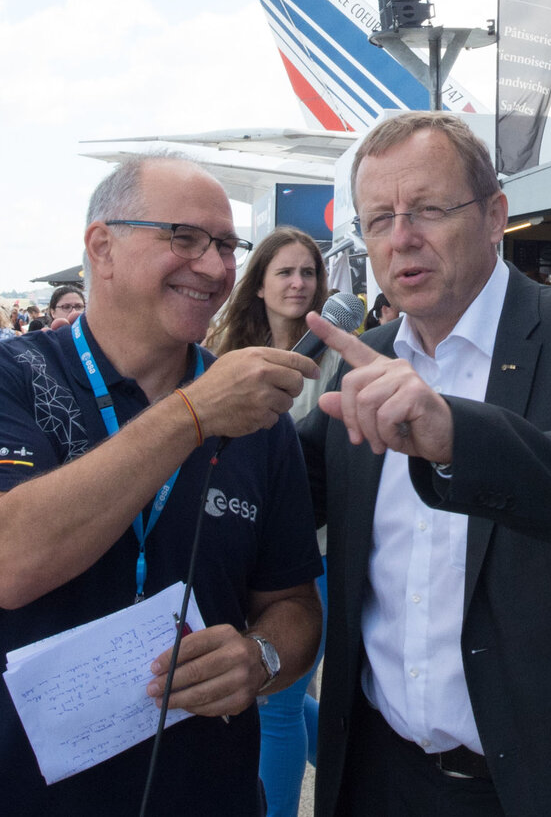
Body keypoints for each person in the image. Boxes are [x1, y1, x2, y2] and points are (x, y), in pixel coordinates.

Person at [295, 112, 551, 817]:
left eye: (427, 209)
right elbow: (276, 501)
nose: (402, 238)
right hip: (386, 779)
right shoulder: (364, 364)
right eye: (379, 219)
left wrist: (461, 438)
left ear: (494, 216)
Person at [0, 156, 325, 817]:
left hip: (203, 793)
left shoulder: (254, 413)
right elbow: (8, 562)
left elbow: (296, 603)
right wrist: (192, 415)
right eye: (184, 238)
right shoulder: (5, 378)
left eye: (225, 246)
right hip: (9, 791)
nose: (216, 269)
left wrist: (262, 656)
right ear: (101, 246)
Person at [206, 227, 333, 816]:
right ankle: (353, 744)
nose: (298, 283)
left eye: (307, 273)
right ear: (258, 284)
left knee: (277, 702)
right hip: (238, 548)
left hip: (315, 552)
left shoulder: (338, 360)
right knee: (269, 702)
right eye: (284, 272)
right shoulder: (223, 354)